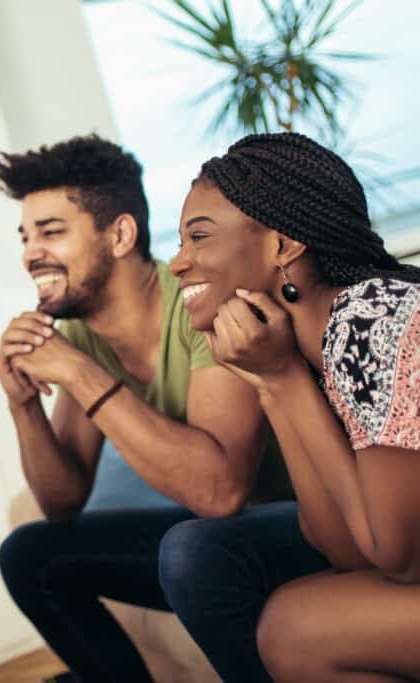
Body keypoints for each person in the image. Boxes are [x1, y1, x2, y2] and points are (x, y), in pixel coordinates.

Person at [0, 134, 295, 682]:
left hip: (294, 521)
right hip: (213, 536)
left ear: (120, 234)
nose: (32, 253)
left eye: (52, 232)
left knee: (190, 544)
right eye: (26, 236)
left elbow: (220, 493)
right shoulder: (80, 334)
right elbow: (61, 502)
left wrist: (77, 373)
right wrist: (23, 404)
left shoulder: (202, 304)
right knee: (29, 553)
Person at [170, 132, 420, 682]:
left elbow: (397, 559)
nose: (178, 264)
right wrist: (271, 382)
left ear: (283, 247)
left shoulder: (371, 321)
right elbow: (344, 551)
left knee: (294, 628)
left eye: (199, 237)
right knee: (292, 624)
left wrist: (283, 380)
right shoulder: (313, 345)